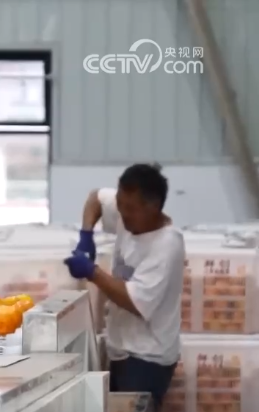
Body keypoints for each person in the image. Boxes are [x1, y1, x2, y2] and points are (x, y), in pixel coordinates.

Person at [64, 163, 183, 411]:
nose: (122, 213)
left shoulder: (166, 245)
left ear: (153, 207)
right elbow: (95, 198)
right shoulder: (127, 210)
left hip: (147, 358)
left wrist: (92, 272)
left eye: (130, 209)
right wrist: (86, 235)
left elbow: (134, 302)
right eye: (119, 204)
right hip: (120, 348)